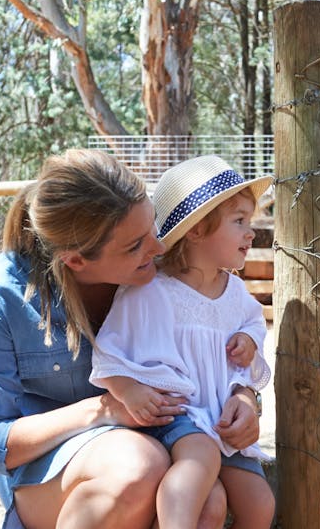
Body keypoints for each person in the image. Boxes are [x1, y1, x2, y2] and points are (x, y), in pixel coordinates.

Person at [0, 149, 262, 529]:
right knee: (137, 469)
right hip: (51, 473)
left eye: (152, 226)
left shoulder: (173, 280)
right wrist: (105, 409)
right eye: (135, 245)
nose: (159, 246)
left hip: (162, 440)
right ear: (76, 261)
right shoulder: (4, 292)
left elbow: (209, 361)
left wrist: (246, 398)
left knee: (207, 501)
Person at [90, 156, 275, 529]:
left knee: (260, 504)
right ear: (195, 230)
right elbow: (109, 353)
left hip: (222, 418)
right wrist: (129, 392)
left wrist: (249, 340)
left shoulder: (236, 292)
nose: (251, 232)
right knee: (199, 460)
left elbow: (254, 323)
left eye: (249, 221)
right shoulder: (151, 292)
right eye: (239, 221)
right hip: (178, 416)